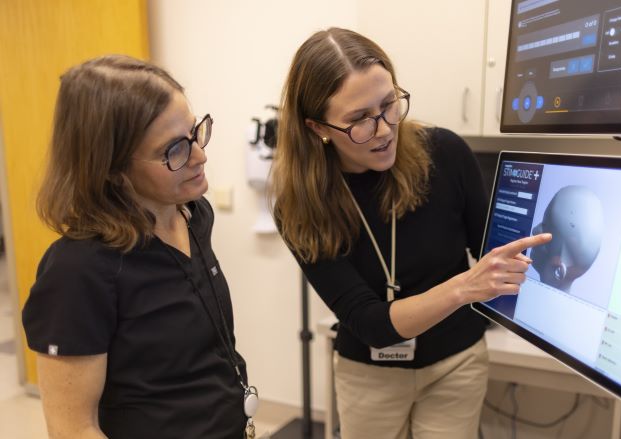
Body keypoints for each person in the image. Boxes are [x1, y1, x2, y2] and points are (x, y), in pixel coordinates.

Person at [271, 28, 551, 439]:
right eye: (359, 120)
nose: (384, 129)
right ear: (318, 128)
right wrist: (465, 286)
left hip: (456, 363)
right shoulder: (301, 206)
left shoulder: (445, 154)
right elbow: (372, 324)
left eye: (388, 105)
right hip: (368, 374)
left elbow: (497, 255)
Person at [22, 55, 255, 439]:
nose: (200, 155)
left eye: (196, 132)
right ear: (111, 168)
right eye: (174, 150)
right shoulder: (78, 271)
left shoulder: (193, 216)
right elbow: (72, 429)